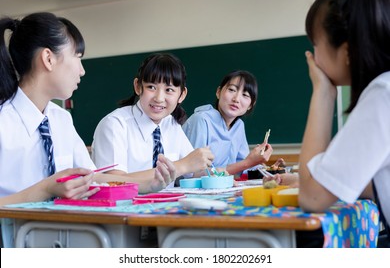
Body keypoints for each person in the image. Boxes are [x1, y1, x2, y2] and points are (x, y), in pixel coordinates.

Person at [0, 12, 176, 200]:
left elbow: (93, 178)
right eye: (77, 57)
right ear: (48, 59)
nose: (82, 71)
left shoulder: (61, 119)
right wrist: (45, 189)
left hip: (64, 228)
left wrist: (149, 184)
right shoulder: (4, 121)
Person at [267, 0, 390, 247]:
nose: (312, 56)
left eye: (315, 44)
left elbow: (312, 199)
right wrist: (306, 179)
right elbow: (376, 180)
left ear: (346, 51)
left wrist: (323, 94)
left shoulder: (383, 94)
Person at [92, 53, 215, 188]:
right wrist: (182, 165)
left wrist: (214, 174)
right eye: (151, 87)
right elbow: (114, 183)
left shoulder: (171, 124)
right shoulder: (115, 124)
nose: (159, 98)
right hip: (124, 207)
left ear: (182, 95)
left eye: (169, 90)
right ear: (138, 86)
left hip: (165, 207)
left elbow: (192, 172)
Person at [182, 70, 272, 176]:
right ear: (218, 92)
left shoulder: (238, 126)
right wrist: (248, 162)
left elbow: (242, 167)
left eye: (245, 95)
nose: (236, 99)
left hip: (221, 189)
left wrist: (268, 170)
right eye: (232, 90)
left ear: (250, 105)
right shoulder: (201, 120)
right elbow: (193, 174)